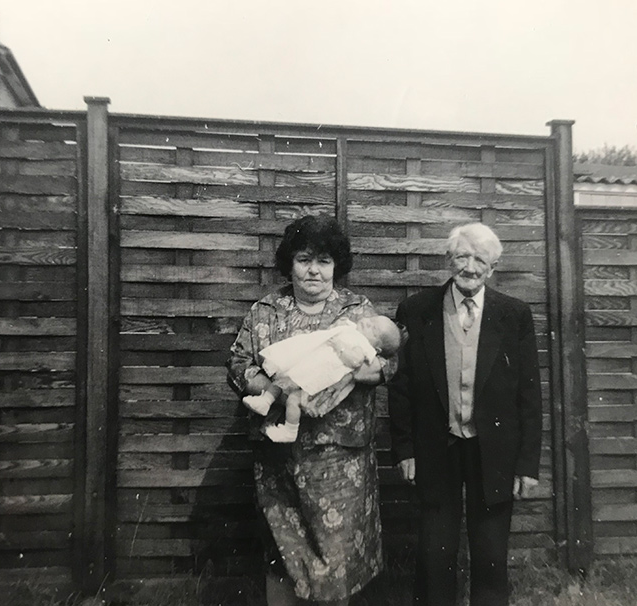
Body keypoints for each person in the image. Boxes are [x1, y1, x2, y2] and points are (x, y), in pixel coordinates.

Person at [227, 215, 396, 606]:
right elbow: (237, 363)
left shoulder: (358, 310)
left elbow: (388, 364)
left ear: (337, 265)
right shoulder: (266, 310)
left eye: (323, 260)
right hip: (279, 461)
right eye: (304, 259)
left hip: (340, 465)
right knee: (283, 557)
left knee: (334, 562)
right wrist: (273, 388)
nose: (314, 270)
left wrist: (360, 372)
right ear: (290, 263)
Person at [387, 222, 542, 606]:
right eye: (462, 257)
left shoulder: (514, 315)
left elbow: (529, 394)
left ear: (493, 268)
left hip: (494, 450)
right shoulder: (416, 309)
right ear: (448, 260)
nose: (470, 267)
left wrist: (527, 464)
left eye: (480, 260)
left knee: (490, 553)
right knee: (434, 551)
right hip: (436, 447)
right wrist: (405, 449)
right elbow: (401, 387)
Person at [243, 313, 401, 442]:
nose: (367, 323)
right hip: (308, 366)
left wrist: (340, 348)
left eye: (373, 330)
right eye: (371, 319)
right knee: (281, 381)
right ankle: (265, 401)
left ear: (377, 347)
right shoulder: (352, 328)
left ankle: (290, 431)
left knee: (293, 399)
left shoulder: (364, 346)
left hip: (322, 379)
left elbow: (356, 360)